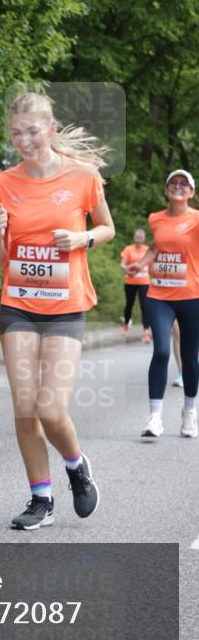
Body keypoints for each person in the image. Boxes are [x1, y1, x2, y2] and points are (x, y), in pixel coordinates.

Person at [0, 91, 115, 530]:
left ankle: (76, 467)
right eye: (16, 133)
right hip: (18, 304)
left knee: (51, 409)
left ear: (51, 129)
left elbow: (107, 227)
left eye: (32, 131)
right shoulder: (3, 183)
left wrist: (82, 240)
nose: (24, 140)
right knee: (24, 408)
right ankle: (41, 498)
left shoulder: (83, 177)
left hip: (65, 306)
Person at [127, 170, 199, 440]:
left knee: (191, 360)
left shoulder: (197, 219)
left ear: (191, 193)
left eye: (184, 184)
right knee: (160, 351)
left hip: (192, 296)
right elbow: (156, 248)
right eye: (173, 183)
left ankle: (189, 411)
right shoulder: (155, 218)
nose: (177, 187)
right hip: (160, 295)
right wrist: (141, 264)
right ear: (166, 189)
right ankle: (155, 417)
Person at [120, 229, 151, 341]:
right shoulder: (128, 249)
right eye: (137, 237)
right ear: (134, 237)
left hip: (144, 282)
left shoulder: (147, 249)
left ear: (144, 238)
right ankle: (126, 325)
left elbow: (151, 266)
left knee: (145, 306)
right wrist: (127, 269)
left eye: (140, 237)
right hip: (130, 281)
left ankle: (146, 331)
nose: (138, 239)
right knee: (129, 304)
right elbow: (122, 264)